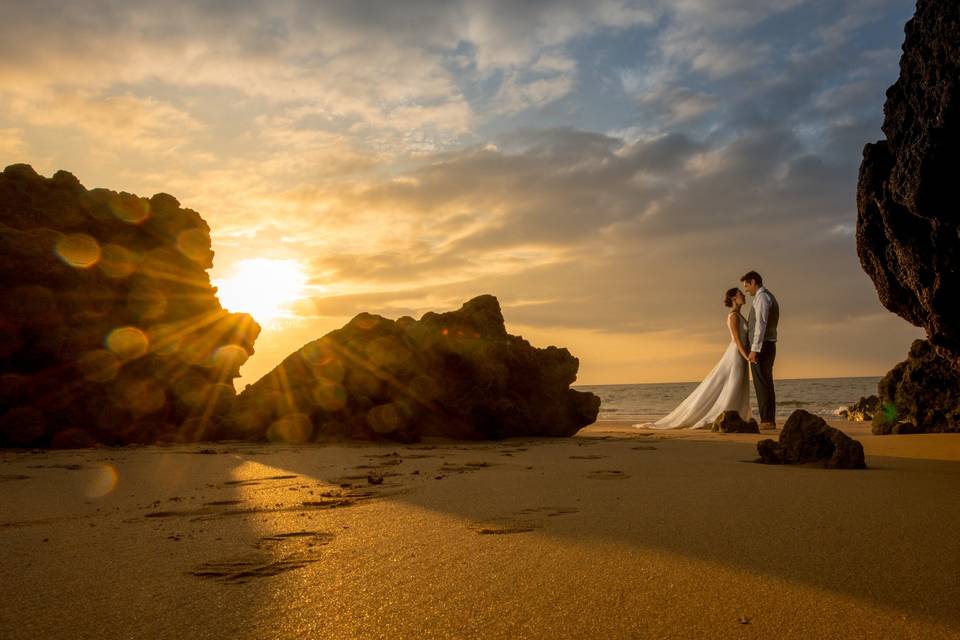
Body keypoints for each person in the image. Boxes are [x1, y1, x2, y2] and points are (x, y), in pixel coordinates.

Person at [641, 287, 752, 429]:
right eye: (740, 294)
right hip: (736, 353)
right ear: (733, 298)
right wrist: (746, 355)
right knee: (733, 383)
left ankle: (737, 415)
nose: (744, 295)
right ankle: (725, 415)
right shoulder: (733, 316)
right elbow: (737, 339)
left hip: (741, 354)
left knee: (737, 384)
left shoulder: (740, 315)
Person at [740, 270, 779, 429]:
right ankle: (768, 419)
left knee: (762, 383)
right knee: (766, 383)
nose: (746, 289)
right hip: (767, 345)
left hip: (762, 347)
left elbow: (760, 325)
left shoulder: (762, 298)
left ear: (753, 282)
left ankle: (767, 421)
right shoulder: (766, 296)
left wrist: (755, 349)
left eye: (746, 286)